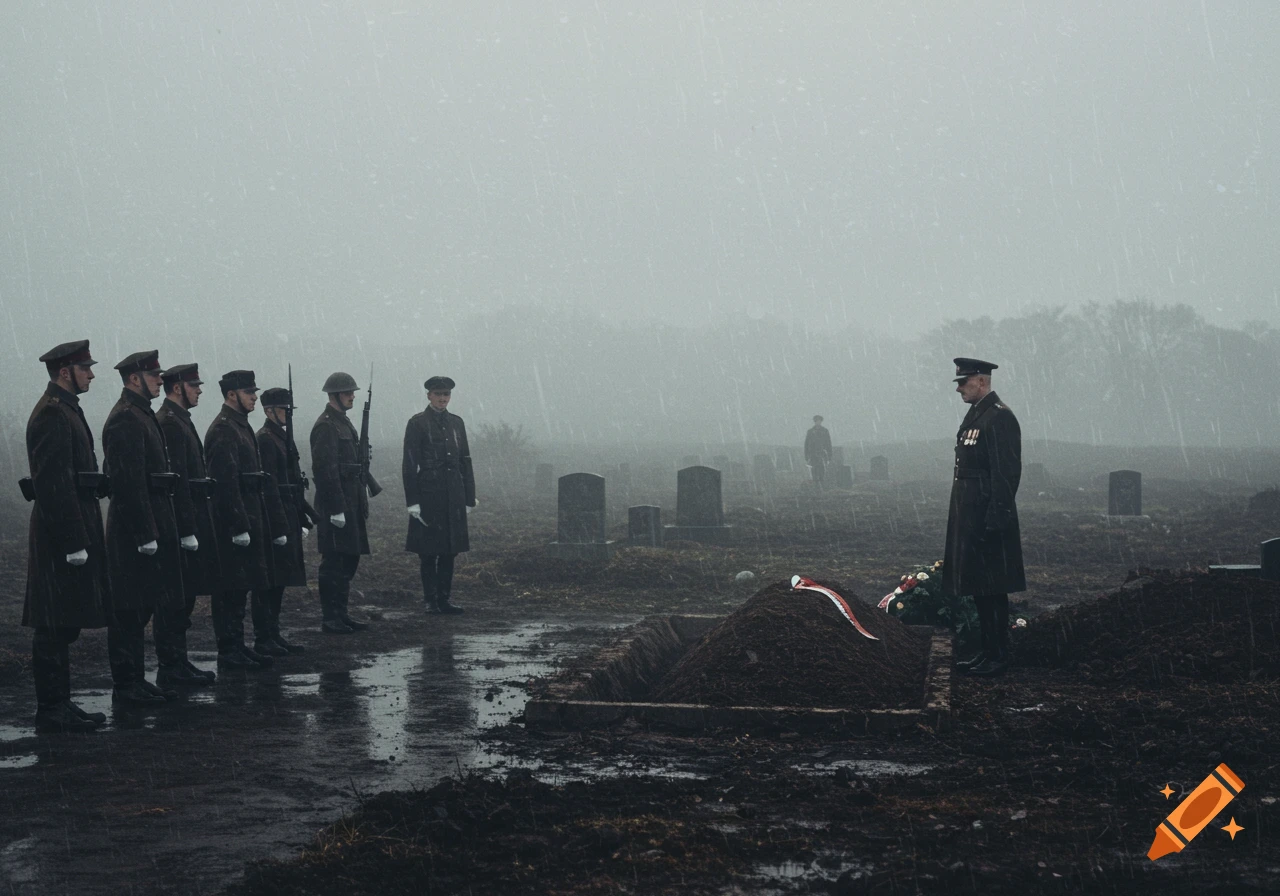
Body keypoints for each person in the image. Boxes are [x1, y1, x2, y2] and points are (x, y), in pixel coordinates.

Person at [21, 340, 110, 730]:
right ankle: (52, 710)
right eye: (84, 368)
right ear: (64, 372)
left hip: (70, 525)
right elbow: (53, 483)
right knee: (54, 622)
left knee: (63, 621)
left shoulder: (65, 410)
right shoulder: (53, 414)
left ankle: (60, 704)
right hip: (60, 532)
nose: (91, 373)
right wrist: (74, 541)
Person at [101, 350, 183, 705]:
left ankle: (135, 679)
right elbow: (127, 482)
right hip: (133, 530)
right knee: (128, 610)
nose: (160, 381)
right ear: (134, 379)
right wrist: (144, 532)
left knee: (142, 606)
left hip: (149, 522)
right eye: (154, 376)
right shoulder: (125, 419)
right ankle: (126, 684)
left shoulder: (140, 415)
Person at [942, 358, 1025, 677]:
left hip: (988, 515)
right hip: (970, 513)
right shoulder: (978, 414)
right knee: (979, 586)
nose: (959, 388)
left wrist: (997, 517)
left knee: (993, 588)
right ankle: (986, 652)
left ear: (981, 380)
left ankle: (998, 655)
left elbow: (1006, 472)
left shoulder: (1000, 418)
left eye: (963, 382)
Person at [204, 370, 287, 668]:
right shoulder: (225, 429)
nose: (254, 396)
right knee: (230, 588)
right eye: (249, 392)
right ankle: (228, 650)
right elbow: (225, 483)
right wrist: (238, 525)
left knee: (241, 587)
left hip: (249, 516)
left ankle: (237, 646)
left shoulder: (240, 426)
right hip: (233, 523)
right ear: (231, 395)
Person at [154, 363, 218, 685]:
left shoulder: (179, 420)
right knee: (174, 599)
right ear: (178, 388)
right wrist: (186, 529)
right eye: (194, 385)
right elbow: (176, 481)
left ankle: (178, 662)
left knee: (185, 596)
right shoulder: (170, 423)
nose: (199, 390)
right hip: (179, 524)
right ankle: (171, 666)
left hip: (189, 518)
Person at [402, 375, 476, 615]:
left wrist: (468, 496)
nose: (443, 399)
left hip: (453, 492)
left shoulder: (457, 423)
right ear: (429, 395)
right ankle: (430, 600)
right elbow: (409, 463)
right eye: (438, 394)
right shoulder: (417, 423)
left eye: (446, 395)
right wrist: (412, 501)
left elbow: (465, 460)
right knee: (428, 551)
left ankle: (444, 599)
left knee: (449, 550)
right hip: (428, 493)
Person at [252, 386, 318, 654]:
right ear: (269, 411)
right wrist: (279, 525)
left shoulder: (282, 437)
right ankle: (264, 637)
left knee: (280, 580)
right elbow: (270, 485)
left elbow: (292, 479)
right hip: (274, 515)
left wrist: (304, 513)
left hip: (288, 510)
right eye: (284, 410)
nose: (288, 415)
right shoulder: (266, 439)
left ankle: (273, 633)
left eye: (290, 411)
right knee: (268, 581)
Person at [310, 372, 372, 634]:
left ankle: (341, 613)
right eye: (347, 392)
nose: (352, 396)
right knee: (333, 562)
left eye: (352, 392)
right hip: (336, 503)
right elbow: (325, 471)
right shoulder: (326, 425)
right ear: (333, 395)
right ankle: (330, 617)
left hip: (352, 500)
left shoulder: (344, 423)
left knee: (349, 559)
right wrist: (336, 508)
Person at [804, 415, 832, 488]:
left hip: (822, 454)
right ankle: (816, 486)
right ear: (815, 421)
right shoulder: (810, 432)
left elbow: (828, 444)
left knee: (822, 470)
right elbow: (806, 444)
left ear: (821, 421)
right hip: (813, 454)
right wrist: (806, 456)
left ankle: (822, 485)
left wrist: (829, 456)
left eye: (819, 421)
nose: (818, 422)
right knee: (814, 470)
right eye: (816, 421)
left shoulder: (825, 431)